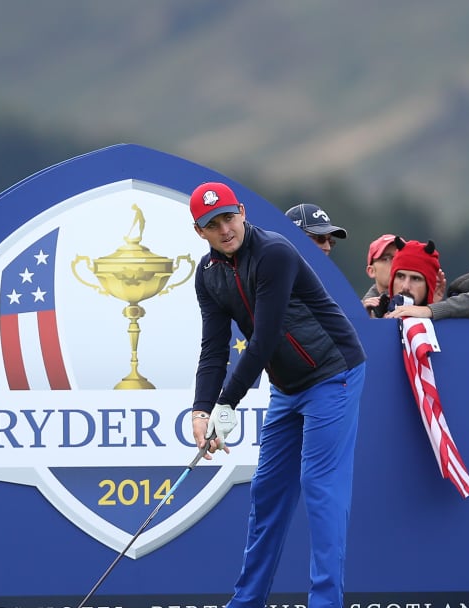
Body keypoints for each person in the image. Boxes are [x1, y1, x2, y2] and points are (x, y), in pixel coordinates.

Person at [188, 182, 366, 608]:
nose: (225, 229)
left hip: (333, 372)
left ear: (243, 212)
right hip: (288, 387)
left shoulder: (275, 252)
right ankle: (247, 601)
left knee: (319, 485)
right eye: (212, 224)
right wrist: (200, 409)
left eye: (228, 217)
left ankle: (325, 602)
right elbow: (213, 348)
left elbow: (264, 338)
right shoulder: (208, 274)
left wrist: (226, 403)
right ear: (200, 232)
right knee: (267, 489)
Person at [380, 238, 469, 319]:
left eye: (415, 279)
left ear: (429, 286)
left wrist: (430, 310)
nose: (405, 286)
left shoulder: (439, 315)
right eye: (400, 276)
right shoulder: (377, 311)